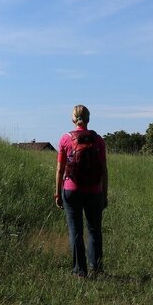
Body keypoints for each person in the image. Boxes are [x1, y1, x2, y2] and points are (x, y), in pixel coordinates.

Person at [54, 104, 108, 278]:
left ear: (73, 119)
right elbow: (104, 170)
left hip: (71, 190)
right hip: (94, 191)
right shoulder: (98, 140)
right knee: (94, 230)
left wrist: (57, 193)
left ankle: (80, 271)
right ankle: (97, 268)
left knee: (75, 231)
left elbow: (59, 170)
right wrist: (104, 195)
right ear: (88, 119)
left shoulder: (65, 139)